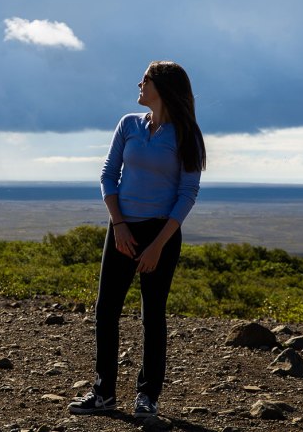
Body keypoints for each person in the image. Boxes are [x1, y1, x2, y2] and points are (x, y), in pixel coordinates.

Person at [68, 60, 206, 420]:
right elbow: (108, 175)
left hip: (161, 234)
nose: (139, 85)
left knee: (153, 316)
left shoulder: (185, 134)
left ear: (162, 87)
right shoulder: (128, 124)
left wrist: (158, 244)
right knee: (106, 310)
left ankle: (148, 397)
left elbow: (188, 192)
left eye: (145, 80)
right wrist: (119, 224)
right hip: (122, 230)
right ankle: (104, 394)